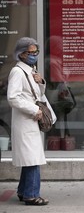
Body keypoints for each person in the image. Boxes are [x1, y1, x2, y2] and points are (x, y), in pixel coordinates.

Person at [7, 37, 49, 205]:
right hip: (26, 120)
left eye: (35, 52)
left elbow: (36, 94)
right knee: (32, 159)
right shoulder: (17, 71)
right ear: (21, 54)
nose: (34, 55)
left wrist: (41, 82)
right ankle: (31, 195)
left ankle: (23, 191)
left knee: (30, 158)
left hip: (31, 120)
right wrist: (35, 110)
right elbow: (13, 98)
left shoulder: (31, 70)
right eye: (30, 52)